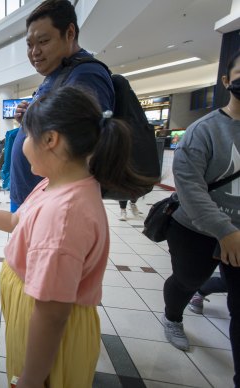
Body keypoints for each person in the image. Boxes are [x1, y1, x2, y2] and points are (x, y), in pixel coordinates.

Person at [0, 86, 153, 387]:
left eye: (27, 135)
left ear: (50, 139)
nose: (22, 144)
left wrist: (30, 379)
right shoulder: (55, 183)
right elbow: (17, 221)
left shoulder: (64, 215)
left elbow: (52, 314)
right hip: (33, 317)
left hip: (46, 335)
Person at [161, 51, 240, 387]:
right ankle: (173, 316)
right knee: (186, 279)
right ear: (226, 80)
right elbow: (190, 189)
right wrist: (224, 231)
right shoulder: (203, 131)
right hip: (194, 230)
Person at [9, 0, 114, 212]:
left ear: (69, 33)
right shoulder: (58, 73)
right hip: (34, 200)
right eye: (29, 45)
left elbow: (84, 149)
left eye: (43, 41)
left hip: (52, 208)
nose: (34, 52)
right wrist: (29, 121)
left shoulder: (85, 75)